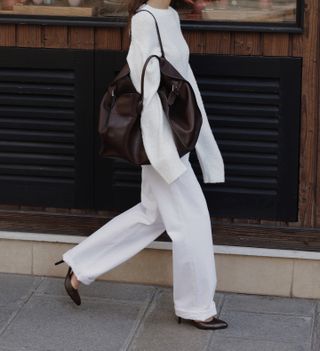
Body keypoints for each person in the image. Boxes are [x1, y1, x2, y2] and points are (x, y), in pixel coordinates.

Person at [54, 0, 228, 331]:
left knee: (151, 215)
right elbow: (144, 92)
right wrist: (163, 155)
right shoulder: (145, 21)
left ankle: (80, 264)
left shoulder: (171, 16)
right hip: (161, 145)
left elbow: (185, 79)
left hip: (175, 139)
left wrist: (202, 140)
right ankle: (196, 307)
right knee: (192, 221)